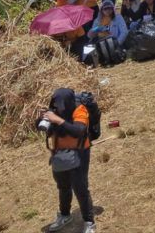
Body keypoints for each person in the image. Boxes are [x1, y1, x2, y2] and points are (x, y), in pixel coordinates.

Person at [41, 88, 96, 233]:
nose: (60, 107)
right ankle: (65, 215)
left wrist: (58, 120)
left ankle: (89, 222)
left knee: (80, 188)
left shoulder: (79, 110)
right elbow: (39, 127)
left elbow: (79, 130)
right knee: (63, 187)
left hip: (79, 154)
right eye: (56, 104)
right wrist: (43, 119)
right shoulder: (53, 112)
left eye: (62, 104)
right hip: (60, 156)